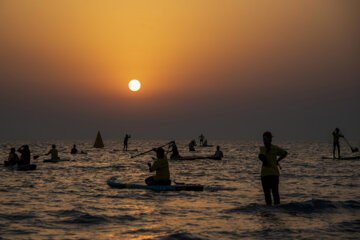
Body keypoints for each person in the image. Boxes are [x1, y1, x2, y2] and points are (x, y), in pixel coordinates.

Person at [258, 131, 287, 205]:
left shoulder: (263, 149)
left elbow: (260, 156)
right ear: (269, 139)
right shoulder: (274, 148)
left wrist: (265, 160)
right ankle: (277, 210)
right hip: (274, 175)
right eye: (270, 138)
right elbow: (285, 153)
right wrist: (278, 160)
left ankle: (269, 211)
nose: (271, 139)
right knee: (275, 194)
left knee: (267, 195)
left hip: (265, 175)